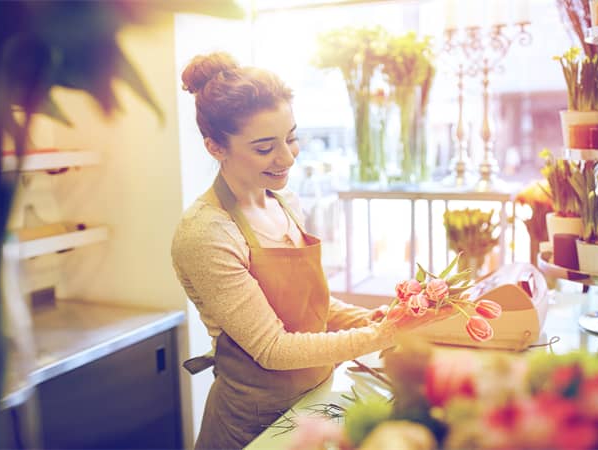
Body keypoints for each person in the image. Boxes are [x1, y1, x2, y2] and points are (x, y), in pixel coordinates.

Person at [171, 52, 452, 450]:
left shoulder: (285, 202)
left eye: (291, 137)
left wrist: (367, 319)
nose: (287, 158)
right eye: (265, 147)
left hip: (315, 400)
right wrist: (380, 335)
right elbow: (272, 348)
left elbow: (306, 305)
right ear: (215, 147)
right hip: (253, 425)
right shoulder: (206, 233)